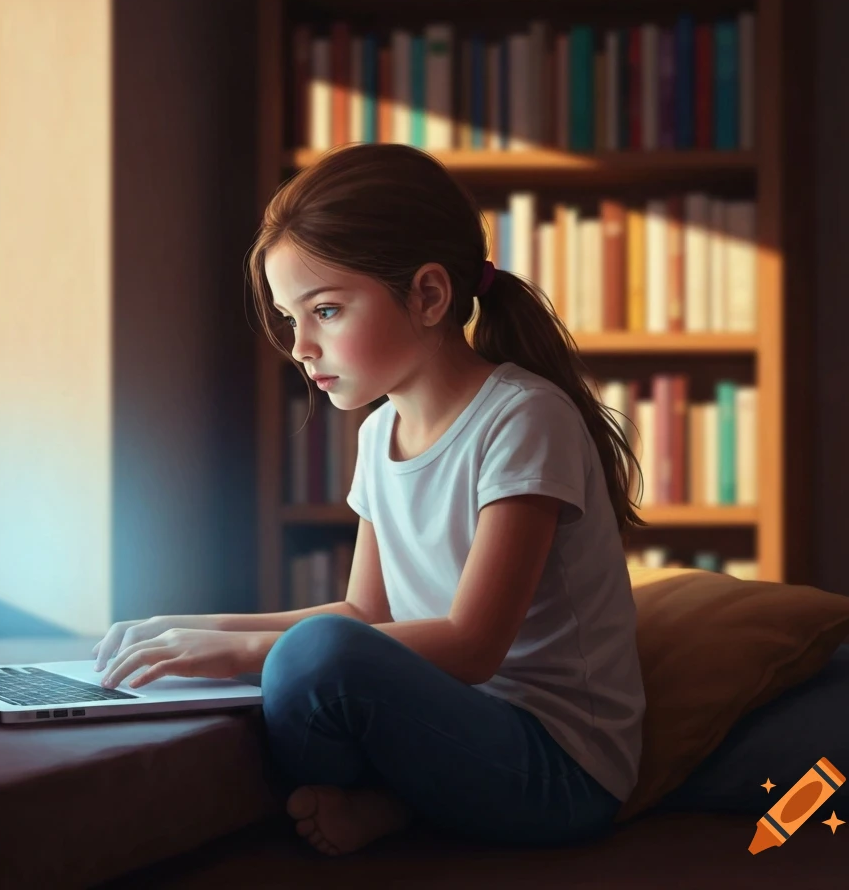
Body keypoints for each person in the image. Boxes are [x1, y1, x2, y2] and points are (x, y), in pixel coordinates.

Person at [91, 142, 647, 856]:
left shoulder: (523, 418)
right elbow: (364, 613)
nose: (299, 347)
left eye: (324, 311)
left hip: (558, 766)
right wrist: (188, 628)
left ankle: (396, 801)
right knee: (307, 657)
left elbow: (473, 644)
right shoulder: (381, 431)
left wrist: (240, 652)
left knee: (308, 660)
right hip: (450, 724)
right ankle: (397, 802)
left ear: (429, 295)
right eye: (292, 320)